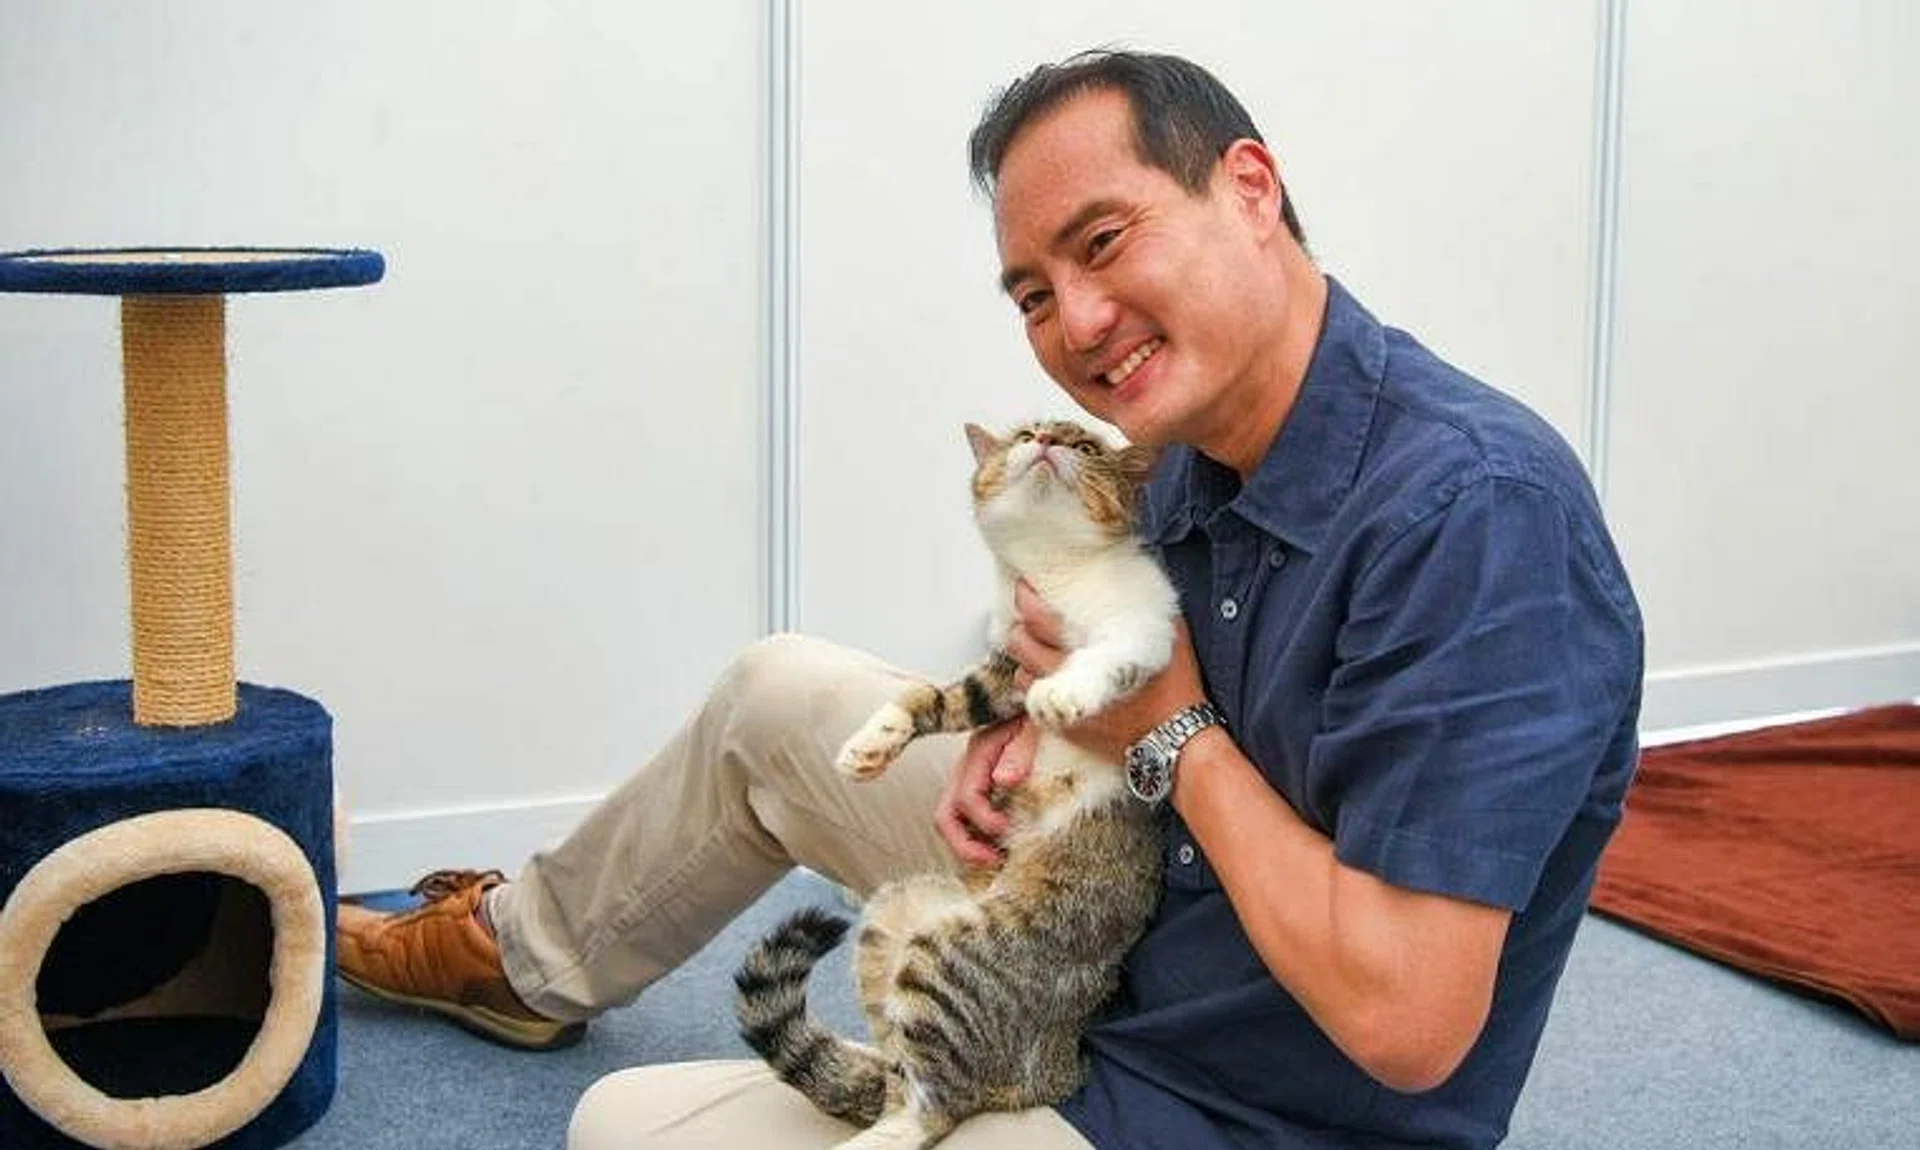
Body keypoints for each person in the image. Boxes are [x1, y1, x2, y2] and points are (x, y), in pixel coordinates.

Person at [337, 49, 1644, 1149]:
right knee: (775, 692)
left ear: (1250, 189)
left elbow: (1407, 1023)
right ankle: (524, 959)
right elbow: (1102, 664)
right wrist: (1028, 718)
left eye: (1104, 242)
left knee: (623, 1130)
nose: (1077, 322)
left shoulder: (1476, 515)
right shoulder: (1186, 450)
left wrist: (1170, 733)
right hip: (1112, 911)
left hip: (1229, 1096)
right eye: (1033, 294)